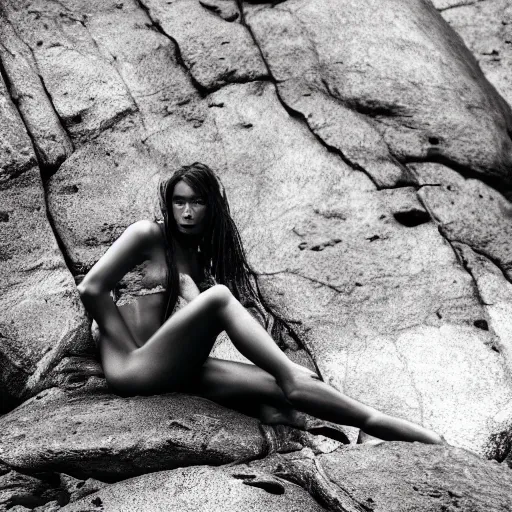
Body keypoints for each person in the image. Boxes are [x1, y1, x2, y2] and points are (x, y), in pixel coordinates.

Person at [78, 162, 443, 444]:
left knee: (279, 387)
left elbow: (183, 331)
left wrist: (192, 301)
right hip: (132, 367)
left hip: (171, 369)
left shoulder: (198, 260)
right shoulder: (148, 233)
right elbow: (91, 288)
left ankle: (377, 425)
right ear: (169, 205)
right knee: (224, 303)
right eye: (180, 201)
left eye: (197, 201)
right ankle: (289, 376)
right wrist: (126, 350)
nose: (187, 212)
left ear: (212, 207)